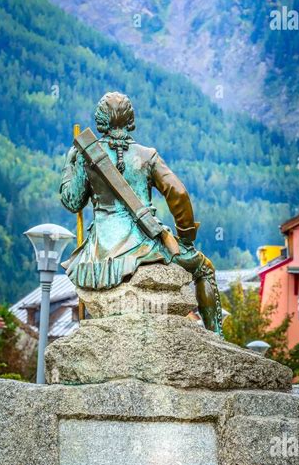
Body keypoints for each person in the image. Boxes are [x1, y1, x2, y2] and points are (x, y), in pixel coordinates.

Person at [60, 91, 223, 335]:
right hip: (146, 244)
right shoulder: (148, 156)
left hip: (101, 252)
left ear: (101, 120)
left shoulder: (85, 156)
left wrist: (70, 163)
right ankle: (216, 335)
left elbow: (72, 202)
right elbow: (178, 194)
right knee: (204, 269)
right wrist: (186, 237)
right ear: (130, 119)